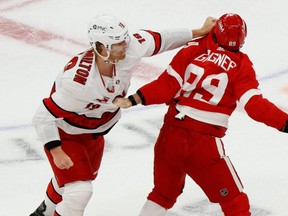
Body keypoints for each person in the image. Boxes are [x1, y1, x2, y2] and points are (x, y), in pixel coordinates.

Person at [29, 14, 217, 216]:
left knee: (71, 181)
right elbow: (43, 116)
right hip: (66, 132)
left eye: (124, 40)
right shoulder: (77, 82)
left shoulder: (127, 49)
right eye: (118, 43)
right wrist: (56, 150)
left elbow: (160, 39)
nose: (125, 46)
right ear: (101, 48)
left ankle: (43, 212)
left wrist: (198, 31)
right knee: (79, 191)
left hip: (95, 133)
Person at [113, 13, 288, 216]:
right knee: (235, 202)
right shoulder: (241, 65)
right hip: (203, 144)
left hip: (170, 136)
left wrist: (134, 99)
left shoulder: (194, 48)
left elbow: (167, 85)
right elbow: (254, 106)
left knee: (162, 195)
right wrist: (284, 121)